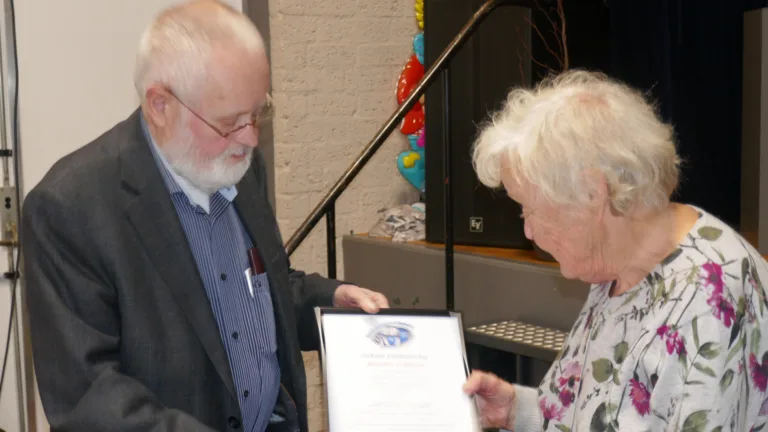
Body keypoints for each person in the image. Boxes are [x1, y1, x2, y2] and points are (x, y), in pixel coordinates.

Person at [20, 1, 388, 431]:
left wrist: (327, 303)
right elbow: (90, 399)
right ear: (160, 105)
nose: (250, 138)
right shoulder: (69, 209)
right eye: (230, 122)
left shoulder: (238, 167)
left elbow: (256, 289)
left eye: (258, 113)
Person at [463, 70, 768, 431]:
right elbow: (594, 413)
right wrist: (517, 411)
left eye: (530, 209)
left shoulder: (707, 302)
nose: (527, 229)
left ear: (593, 193)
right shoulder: (618, 267)